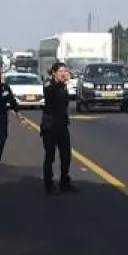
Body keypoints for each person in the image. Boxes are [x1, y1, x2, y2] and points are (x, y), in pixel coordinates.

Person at [40, 61, 79, 195]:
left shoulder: (63, 87)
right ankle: (48, 184)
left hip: (62, 125)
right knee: (50, 155)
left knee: (66, 155)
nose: (64, 74)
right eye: (61, 71)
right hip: (50, 125)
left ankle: (64, 182)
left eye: (65, 71)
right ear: (54, 73)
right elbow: (50, 95)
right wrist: (59, 82)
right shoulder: (49, 86)